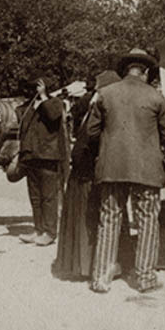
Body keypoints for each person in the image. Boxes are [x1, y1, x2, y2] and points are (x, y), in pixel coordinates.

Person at [86, 47, 165, 294]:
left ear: (126, 70)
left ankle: (101, 278)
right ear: (145, 72)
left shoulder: (105, 93)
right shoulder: (156, 97)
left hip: (112, 167)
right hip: (146, 170)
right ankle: (145, 278)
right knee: (147, 220)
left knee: (109, 218)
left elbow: (91, 132)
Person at [53, 70, 121, 281]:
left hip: (88, 170)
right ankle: (87, 264)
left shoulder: (100, 107)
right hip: (86, 170)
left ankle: (85, 264)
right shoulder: (95, 106)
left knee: (87, 217)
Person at [17, 76, 68, 246]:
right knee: (35, 197)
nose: (35, 89)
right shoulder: (30, 105)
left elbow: (53, 116)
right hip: (31, 156)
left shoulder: (56, 103)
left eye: (38, 86)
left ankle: (50, 232)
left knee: (48, 197)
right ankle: (38, 229)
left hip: (48, 156)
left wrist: (44, 97)